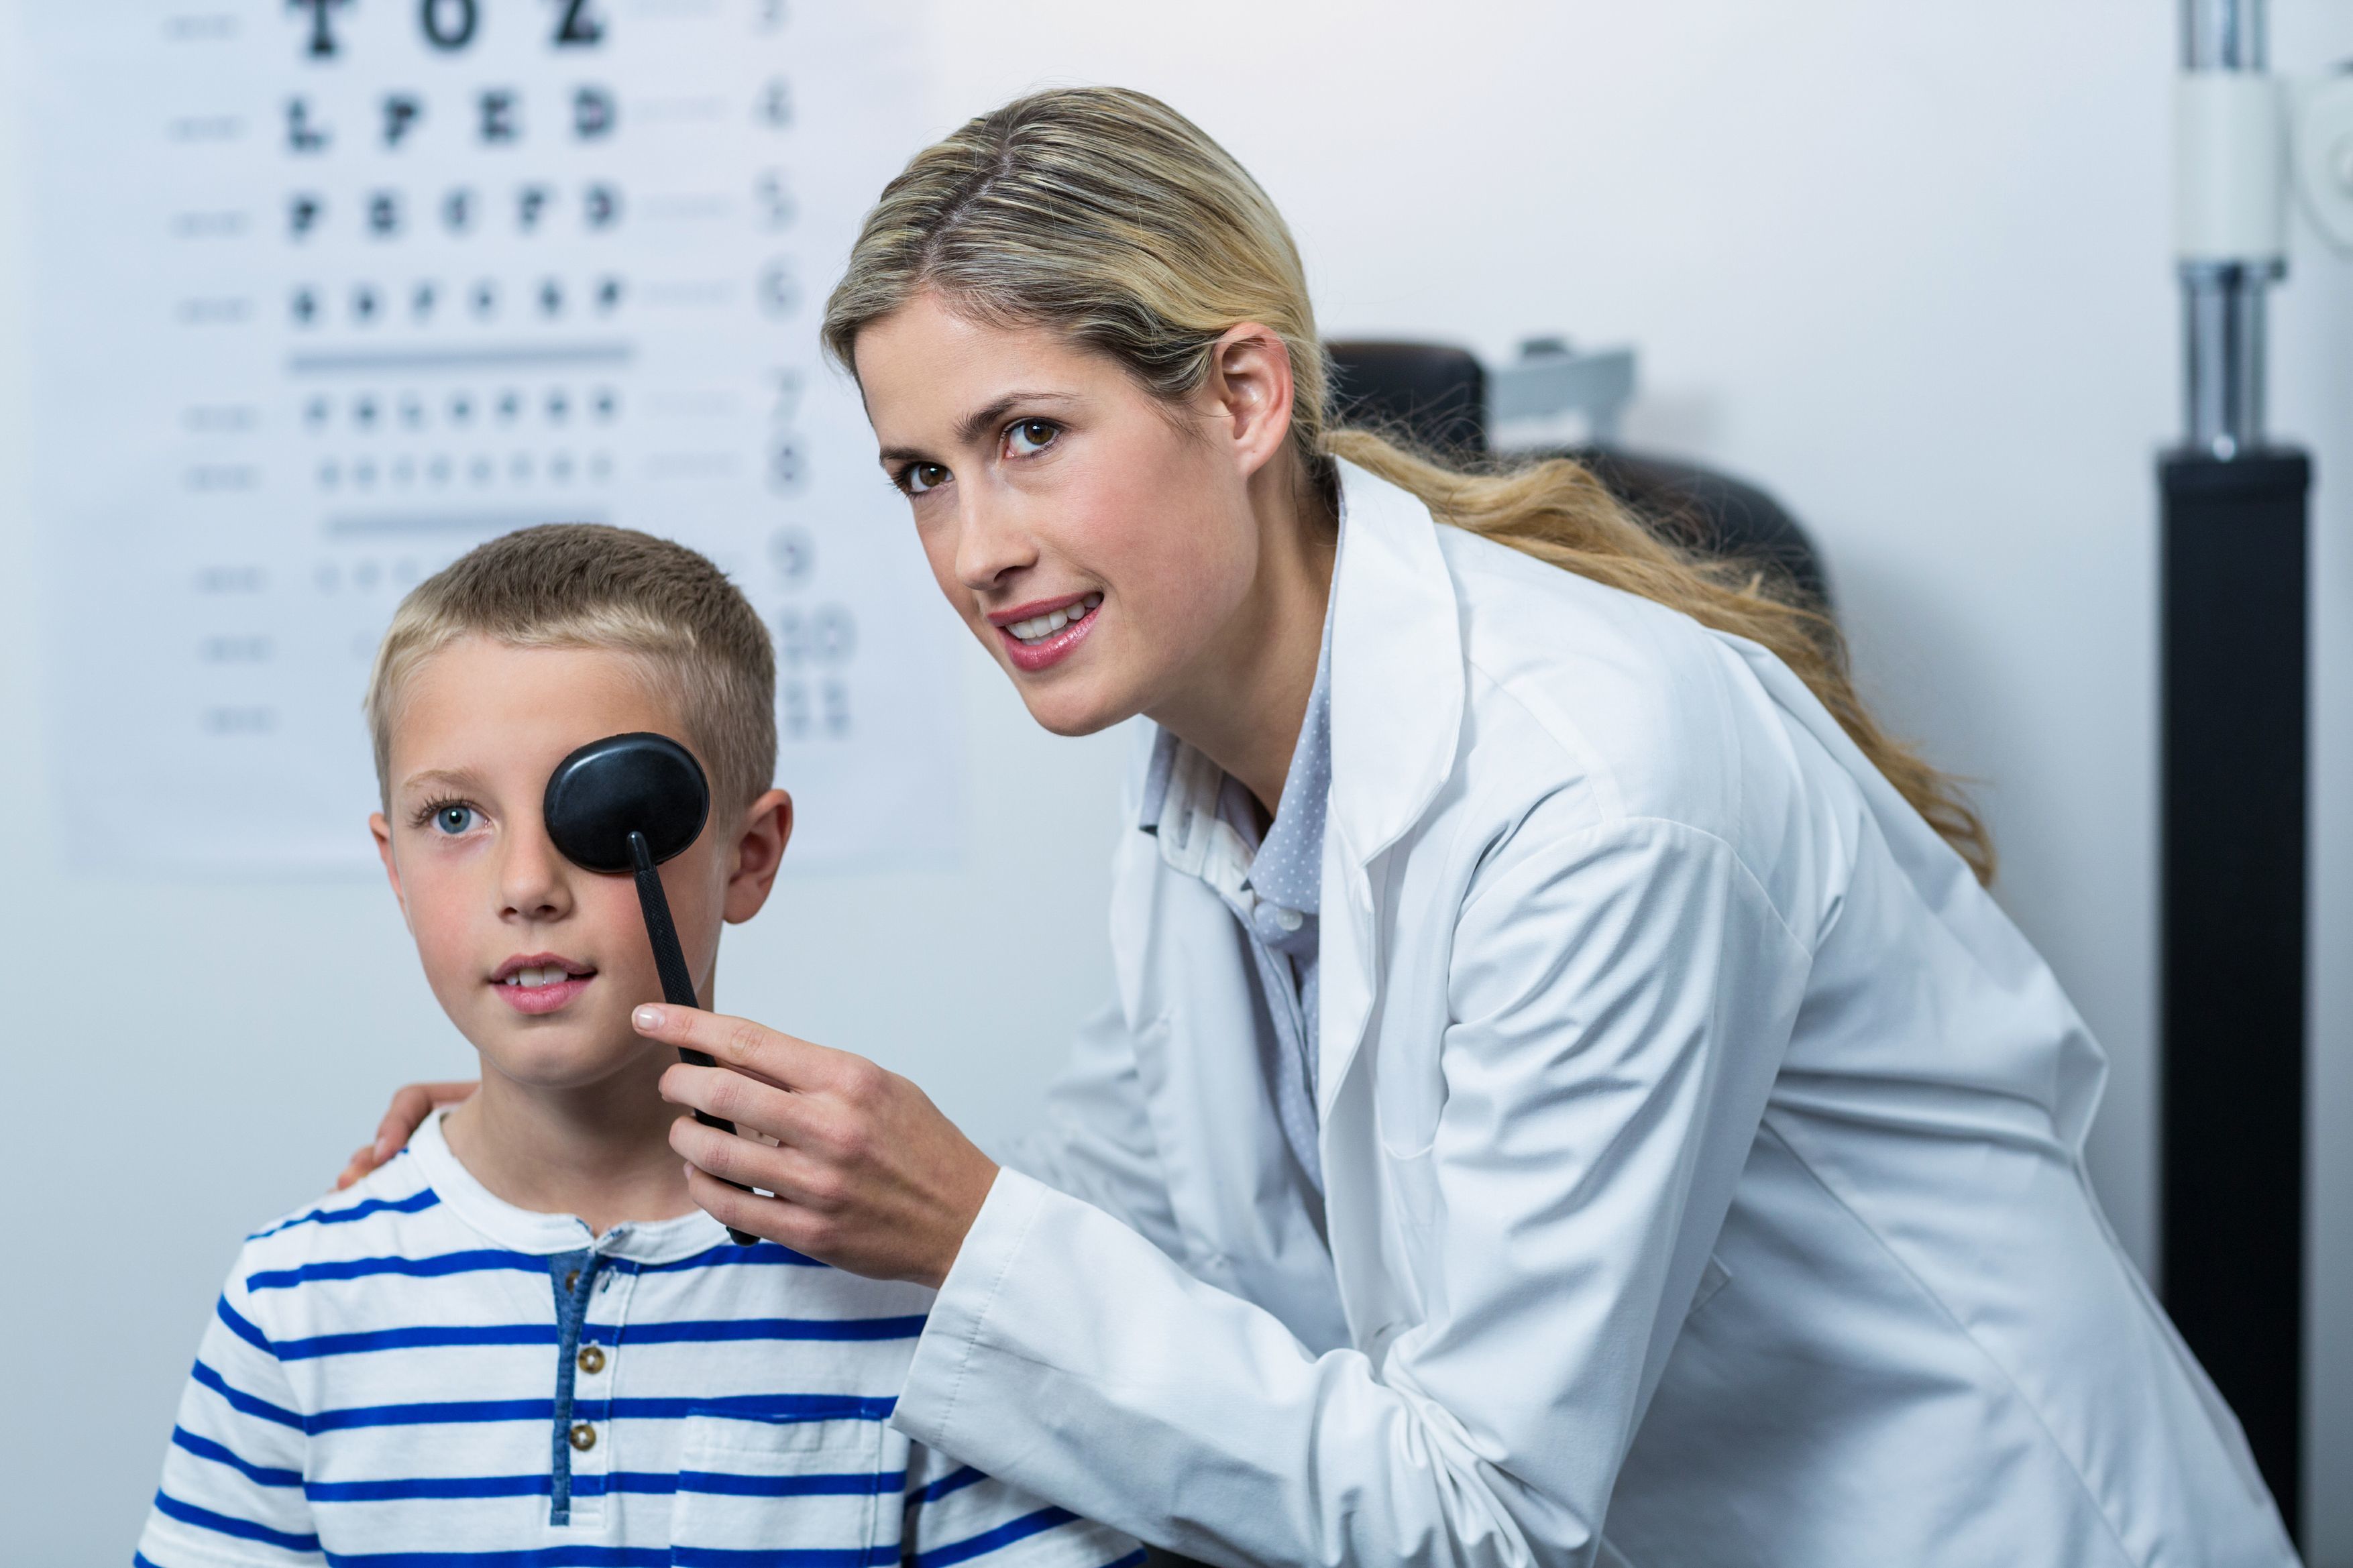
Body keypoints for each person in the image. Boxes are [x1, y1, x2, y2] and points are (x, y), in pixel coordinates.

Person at [353, 91, 2297, 1567]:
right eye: (920, 475)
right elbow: (1104, 1226)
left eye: (1029, 437)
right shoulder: (1214, 780)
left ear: (1242, 396)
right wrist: (583, 1164)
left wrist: (958, 1225)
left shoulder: (1591, 791)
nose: (974, 549)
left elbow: (1476, 1510)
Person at [138, 526, 1139, 1568]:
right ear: (393, 864)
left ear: (748, 856)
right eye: (456, 815)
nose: (526, 885)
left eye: (603, 809)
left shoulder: (912, 1294)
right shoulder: (297, 1303)